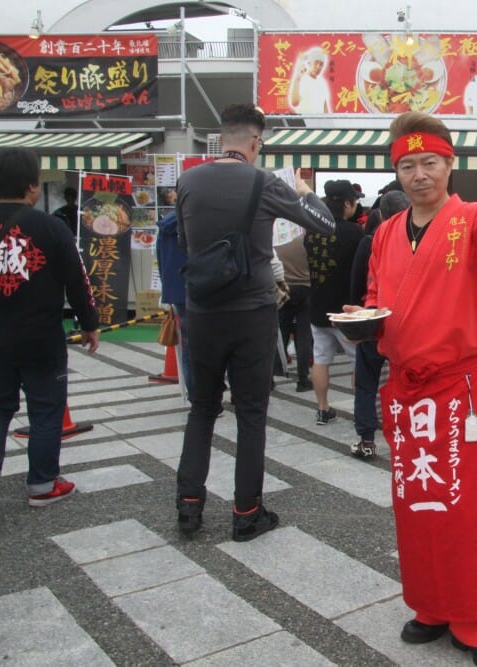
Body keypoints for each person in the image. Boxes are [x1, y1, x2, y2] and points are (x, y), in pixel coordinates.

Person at [345, 111, 477, 667]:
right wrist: (364, 316)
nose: (420, 175)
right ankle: (431, 605)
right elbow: (376, 295)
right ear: (397, 172)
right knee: (416, 502)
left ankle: (476, 620)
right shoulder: (387, 232)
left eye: (431, 163)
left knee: (467, 507)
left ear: (450, 165)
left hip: (459, 389)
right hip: (405, 388)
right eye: (409, 165)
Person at [174, 104, 336, 542]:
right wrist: (305, 190)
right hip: (253, 313)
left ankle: (188, 509)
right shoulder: (263, 182)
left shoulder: (187, 182)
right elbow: (325, 226)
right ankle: (246, 513)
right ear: (255, 142)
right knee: (250, 413)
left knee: (202, 410)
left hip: (203, 312)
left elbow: (189, 246)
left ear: (221, 137)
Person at [0, 148, 100, 512]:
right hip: (41, 339)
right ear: (31, 186)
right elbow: (77, 279)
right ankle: (42, 483)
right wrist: (89, 324)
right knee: (46, 409)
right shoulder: (51, 227)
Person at [348, 190, 410, 459]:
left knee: (366, 382)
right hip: (407, 325)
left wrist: (357, 321)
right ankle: (409, 434)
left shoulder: (370, 241)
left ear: (381, 214)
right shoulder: (421, 241)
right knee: (408, 381)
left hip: (373, 320)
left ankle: (367, 440)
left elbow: (356, 285)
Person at [305, 179, 364, 425]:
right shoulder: (353, 233)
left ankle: (322, 408)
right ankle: (360, 408)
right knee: (357, 360)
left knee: (320, 359)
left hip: (317, 306)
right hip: (346, 310)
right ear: (347, 204)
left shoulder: (311, 232)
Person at [155, 193, 192, 396]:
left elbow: (161, 260)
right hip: (198, 289)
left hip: (176, 292)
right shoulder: (194, 221)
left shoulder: (164, 226)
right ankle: (207, 395)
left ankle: (195, 396)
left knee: (188, 344)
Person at [275, 232, 314, 392]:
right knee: (304, 333)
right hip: (305, 288)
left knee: (280, 332)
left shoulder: (276, 239)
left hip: (284, 288)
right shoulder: (305, 238)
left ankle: (272, 376)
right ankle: (303, 379)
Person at [288, 47, 331, 114]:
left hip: (320, 123)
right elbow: (294, 103)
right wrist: (297, 79)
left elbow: (325, 106)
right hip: (305, 121)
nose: (318, 67)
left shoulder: (322, 82)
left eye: (321, 64)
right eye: (316, 63)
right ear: (309, 63)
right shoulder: (302, 79)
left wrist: (329, 122)